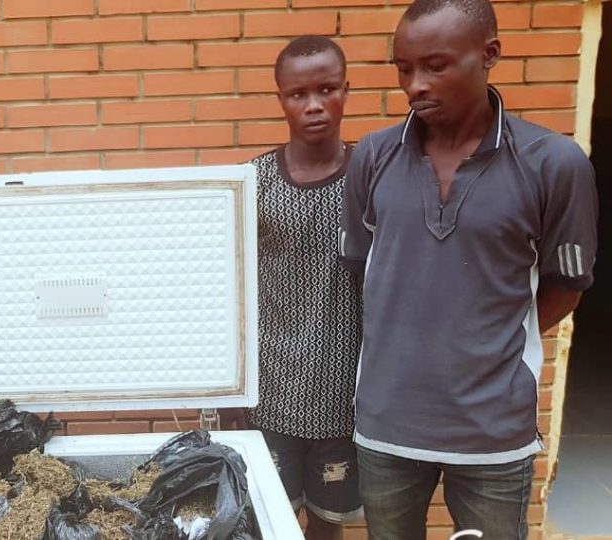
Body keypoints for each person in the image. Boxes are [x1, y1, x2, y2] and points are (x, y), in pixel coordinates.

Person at [339, 0, 598, 538]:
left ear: (489, 55)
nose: (415, 86)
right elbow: (364, 272)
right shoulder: (373, 156)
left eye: (436, 66)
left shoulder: (553, 162)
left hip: (492, 430)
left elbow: (567, 286)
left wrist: (484, 346)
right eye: (404, 69)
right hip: (388, 422)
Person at [223, 35, 363, 540]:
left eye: (327, 89)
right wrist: (231, 392)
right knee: (269, 521)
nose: (314, 105)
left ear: (346, 91)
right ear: (280, 99)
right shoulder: (254, 182)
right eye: (298, 94)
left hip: (346, 398)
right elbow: (231, 290)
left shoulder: (370, 177)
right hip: (272, 393)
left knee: (328, 525)